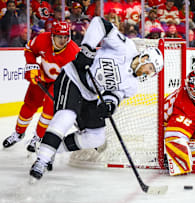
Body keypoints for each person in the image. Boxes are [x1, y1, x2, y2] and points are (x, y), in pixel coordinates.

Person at [29, 16, 164, 180]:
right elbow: (100, 23)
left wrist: (109, 104)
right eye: (150, 68)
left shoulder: (132, 85)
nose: (148, 73)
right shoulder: (126, 47)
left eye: (152, 73)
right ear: (144, 58)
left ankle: (52, 149)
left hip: (91, 94)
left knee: (96, 137)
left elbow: (114, 94)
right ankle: (41, 161)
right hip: (74, 77)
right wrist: (87, 48)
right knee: (66, 116)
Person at [2, 21, 79, 152]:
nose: (63, 40)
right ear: (52, 35)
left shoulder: (73, 52)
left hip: (59, 84)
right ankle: (19, 133)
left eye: (65, 37)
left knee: (48, 112)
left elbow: (76, 76)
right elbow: (29, 49)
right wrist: (32, 66)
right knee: (29, 106)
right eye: (59, 37)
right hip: (42, 78)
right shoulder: (42, 39)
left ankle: (38, 137)